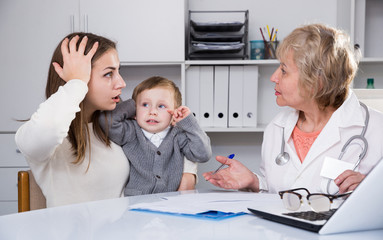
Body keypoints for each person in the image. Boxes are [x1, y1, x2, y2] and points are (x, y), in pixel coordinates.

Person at [15, 33, 197, 208]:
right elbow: (48, 128)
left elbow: (167, 138)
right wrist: (77, 82)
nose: (121, 83)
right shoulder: (40, 135)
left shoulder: (115, 127)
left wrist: (188, 171)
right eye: (109, 74)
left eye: (118, 71)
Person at [204, 24, 383, 195]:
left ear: (316, 81)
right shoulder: (276, 128)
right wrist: (254, 182)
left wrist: (372, 192)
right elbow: (280, 192)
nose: (274, 77)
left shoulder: (376, 130)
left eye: (283, 70)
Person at [100, 76, 212, 196]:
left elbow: (203, 154)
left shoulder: (178, 135)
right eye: (145, 105)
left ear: (174, 112)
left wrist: (189, 122)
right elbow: (105, 121)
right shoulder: (130, 131)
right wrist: (134, 105)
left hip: (171, 203)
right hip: (136, 202)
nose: (152, 111)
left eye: (161, 106)